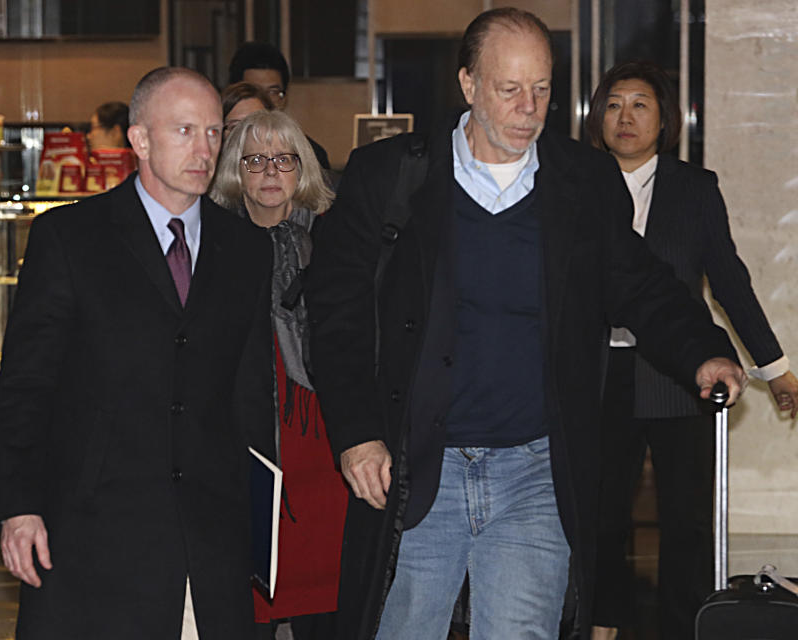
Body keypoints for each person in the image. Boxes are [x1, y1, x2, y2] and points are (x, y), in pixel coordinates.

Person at [306, 8, 748, 640]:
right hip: (419, 468)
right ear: (468, 84)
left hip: (535, 473)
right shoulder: (393, 176)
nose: (528, 107)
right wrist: (356, 433)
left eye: (541, 88)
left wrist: (703, 351)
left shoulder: (582, 182)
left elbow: (642, 285)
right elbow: (337, 312)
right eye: (509, 89)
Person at [0, 67, 275, 640]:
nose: (205, 150)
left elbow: (249, 392)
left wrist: (258, 525)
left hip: (208, 535)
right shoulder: (70, 239)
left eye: (215, 133)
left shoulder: (245, 247)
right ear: (139, 140)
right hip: (94, 528)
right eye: (185, 131)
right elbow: (26, 385)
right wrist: (19, 506)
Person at [584, 60, 798, 640]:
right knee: (600, 516)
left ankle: (687, 627)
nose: (624, 117)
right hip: (597, 372)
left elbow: (729, 282)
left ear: (665, 120)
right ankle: (604, 621)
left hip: (681, 372)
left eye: (640, 105)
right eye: (613, 104)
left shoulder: (694, 188)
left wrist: (774, 368)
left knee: (685, 522)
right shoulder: (575, 184)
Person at [210, 109, 343, 640]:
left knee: (323, 594)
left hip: (322, 437)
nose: (270, 172)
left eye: (284, 159)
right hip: (246, 438)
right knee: (247, 597)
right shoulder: (213, 246)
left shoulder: (334, 240)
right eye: (255, 160)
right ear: (235, 172)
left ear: (302, 168)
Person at [228, 42, 332, 170]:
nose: (266, 100)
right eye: (254, 90)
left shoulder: (310, 154)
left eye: (273, 92)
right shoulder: (219, 151)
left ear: (285, 97)